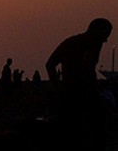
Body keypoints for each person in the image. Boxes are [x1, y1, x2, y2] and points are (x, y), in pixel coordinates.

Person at [45, 18, 112, 150]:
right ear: (96, 31)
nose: (106, 40)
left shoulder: (69, 42)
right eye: (105, 35)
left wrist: (59, 89)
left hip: (68, 96)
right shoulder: (92, 44)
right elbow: (86, 67)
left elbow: (50, 65)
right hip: (85, 98)